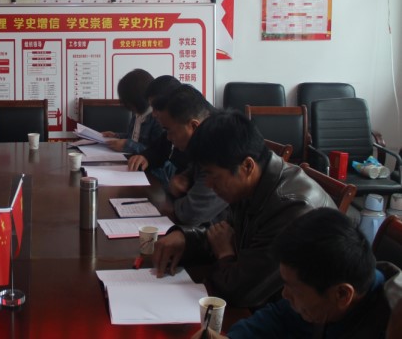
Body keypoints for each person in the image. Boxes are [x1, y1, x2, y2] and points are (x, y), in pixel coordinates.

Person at [153, 110, 336, 308]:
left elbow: (241, 291)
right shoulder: (252, 183)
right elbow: (222, 233)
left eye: (213, 176)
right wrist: (186, 238)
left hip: (294, 314)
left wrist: (225, 254)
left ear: (247, 166)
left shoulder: (291, 209)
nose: (208, 185)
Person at [191, 208, 402, 338]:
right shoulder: (327, 291)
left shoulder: (392, 326)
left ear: (342, 294)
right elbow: (279, 317)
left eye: (294, 289)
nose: (285, 294)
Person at [148, 85, 228, 225]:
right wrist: (183, 178)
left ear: (194, 126)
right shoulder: (207, 138)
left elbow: (190, 214)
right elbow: (186, 179)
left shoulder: (221, 149)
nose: (168, 138)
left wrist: (176, 197)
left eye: (169, 131)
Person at [102, 69, 163, 157]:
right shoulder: (137, 114)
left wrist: (127, 145)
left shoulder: (157, 119)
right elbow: (133, 137)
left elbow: (156, 153)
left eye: (129, 102)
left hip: (145, 163)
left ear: (139, 99)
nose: (129, 107)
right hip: (130, 158)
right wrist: (116, 136)